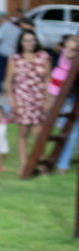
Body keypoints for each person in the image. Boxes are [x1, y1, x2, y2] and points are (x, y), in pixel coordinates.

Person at [5, 29, 51, 173]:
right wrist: (12, 100)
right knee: (23, 133)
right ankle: (24, 164)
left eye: (32, 40)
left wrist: (48, 98)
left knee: (39, 134)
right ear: (21, 42)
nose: (30, 43)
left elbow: (48, 79)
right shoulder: (15, 58)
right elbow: (8, 82)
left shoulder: (43, 57)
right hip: (22, 99)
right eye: (26, 40)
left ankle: (39, 162)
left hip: (38, 99)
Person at [48, 35, 79, 174]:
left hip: (72, 97)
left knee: (74, 133)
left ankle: (63, 162)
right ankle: (62, 164)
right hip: (66, 98)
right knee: (70, 133)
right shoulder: (67, 56)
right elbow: (69, 51)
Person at [0, 14, 21, 93]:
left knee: (0, 70)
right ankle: (13, 87)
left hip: (3, 52)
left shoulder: (2, 28)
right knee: (12, 71)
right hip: (12, 52)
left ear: (3, 19)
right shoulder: (16, 29)